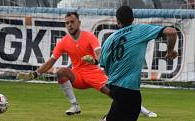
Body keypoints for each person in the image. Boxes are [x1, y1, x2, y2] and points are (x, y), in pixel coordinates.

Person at [17, 11, 157, 117]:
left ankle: (141, 110)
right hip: (78, 75)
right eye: (67, 23)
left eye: (72, 22)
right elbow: (51, 61)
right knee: (61, 72)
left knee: (115, 93)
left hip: (94, 73)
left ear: (79, 22)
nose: (69, 25)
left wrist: (94, 60)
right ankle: (74, 106)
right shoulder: (64, 42)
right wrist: (35, 74)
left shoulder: (89, 37)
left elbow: (99, 53)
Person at [100, 5, 177, 121]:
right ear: (133, 19)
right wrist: (170, 51)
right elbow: (171, 32)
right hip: (129, 90)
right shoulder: (140, 30)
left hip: (114, 87)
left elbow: (105, 69)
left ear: (117, 20)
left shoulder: (109, 40)